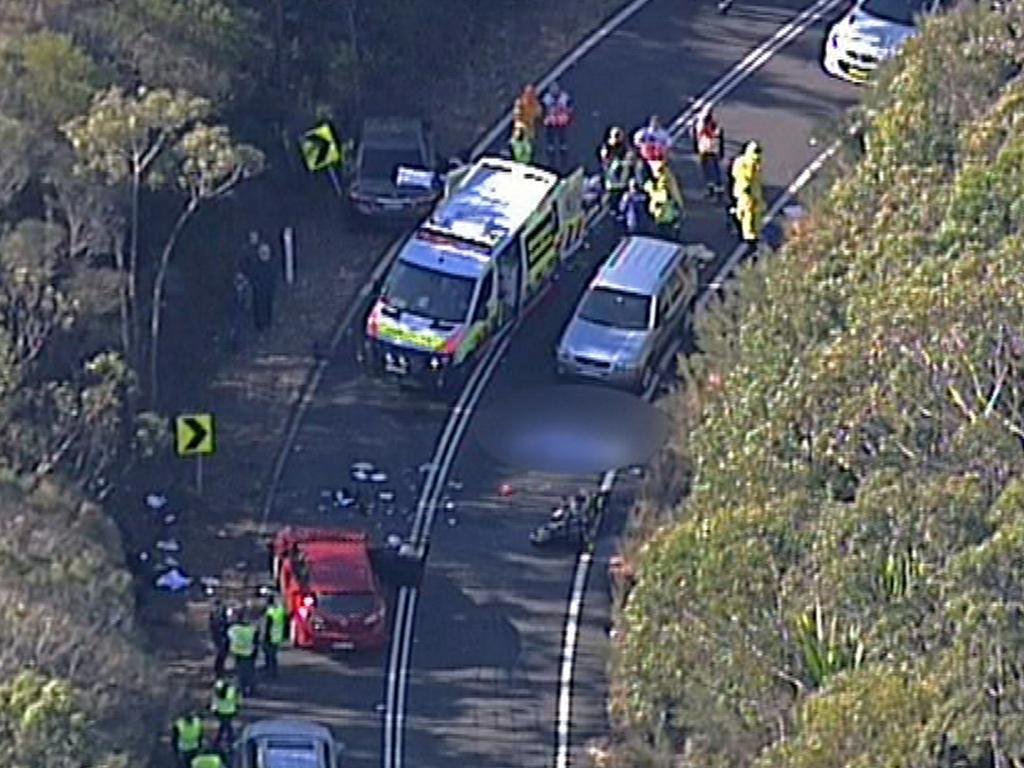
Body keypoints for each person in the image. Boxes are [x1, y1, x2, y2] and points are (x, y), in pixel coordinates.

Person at [730, 140, 764, 246]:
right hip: (745, 192)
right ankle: (749, 237)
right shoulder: (745, 162)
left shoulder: (753, 161)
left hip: (751, 192)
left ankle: (752, 234)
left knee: (753, 213)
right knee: (747, 213)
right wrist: (746, 188)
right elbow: (741, 176)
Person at [644, 161, 685, 241]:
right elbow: (674, 192)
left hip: (661, 210)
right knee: (668, 231)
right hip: (665, 209)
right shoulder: (666, 178)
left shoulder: (657, 180)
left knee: (663, 232)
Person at [694, 107, 725, 199]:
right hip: (706, 150)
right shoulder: (702, 125)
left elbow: (717, 137)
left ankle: (718, 192)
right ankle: (712, 190)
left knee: (714, 172)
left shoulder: (712, 126)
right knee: (708, 172)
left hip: (711, 151)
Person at [541, 81, 573, 166]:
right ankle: (550, 145)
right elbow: (543, 109)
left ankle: (562, 145)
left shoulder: (564, 97)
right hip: (551, 120)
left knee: (562, 133)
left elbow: (569, 106)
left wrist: (568, 113)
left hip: (561, 119)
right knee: (550, 134)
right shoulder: (546, 98)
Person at [247, 242, 276, 332]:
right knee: (259, 304)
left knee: (267, 303)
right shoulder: (255, 264)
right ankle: (260, 324)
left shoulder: (271, 265)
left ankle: (267, 322)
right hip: (259, 286)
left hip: (267, 286)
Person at [226, 611, 258, 695]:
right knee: (250, 672)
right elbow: (255, 640)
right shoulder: (251, 629)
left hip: (237, 653)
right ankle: (251, 689)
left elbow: (228, 637)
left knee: (240, 673)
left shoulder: (233, 629)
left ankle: (242, 689)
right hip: (249, 653)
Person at [210, 677, 240, 749]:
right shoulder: (232, 690)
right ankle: (229, 741)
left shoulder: (218, 691)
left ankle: (218, 741)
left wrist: (213, 709)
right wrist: (237, 707)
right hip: (230, 711)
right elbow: (237, 700)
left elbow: (215, 700)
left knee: (224, 726)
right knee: (227, 726)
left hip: (220, 711)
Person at [262, 594, 287, 680]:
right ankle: (273, 672)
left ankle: (270, 672)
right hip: (277, 636)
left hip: (269, 637)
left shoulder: (270, 611)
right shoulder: (280, 611)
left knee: (269, 656)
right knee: (273, 656)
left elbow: (266, 625)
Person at [603, 148, 631, 220]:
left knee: (618, 198)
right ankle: (617, 210)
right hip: (615, 186)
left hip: (617, 186)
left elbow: (611, 174)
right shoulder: (615, 164)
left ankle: (617, 210)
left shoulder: (617, 163)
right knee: (617, 199)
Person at [209, 601, 230, 677]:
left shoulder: (219, 614)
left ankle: (219, 669)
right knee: (221, 652)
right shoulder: (215, 614)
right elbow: (214, 625)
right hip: (218, 635)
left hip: (221, 634)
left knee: (222, 653)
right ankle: (218, 670)